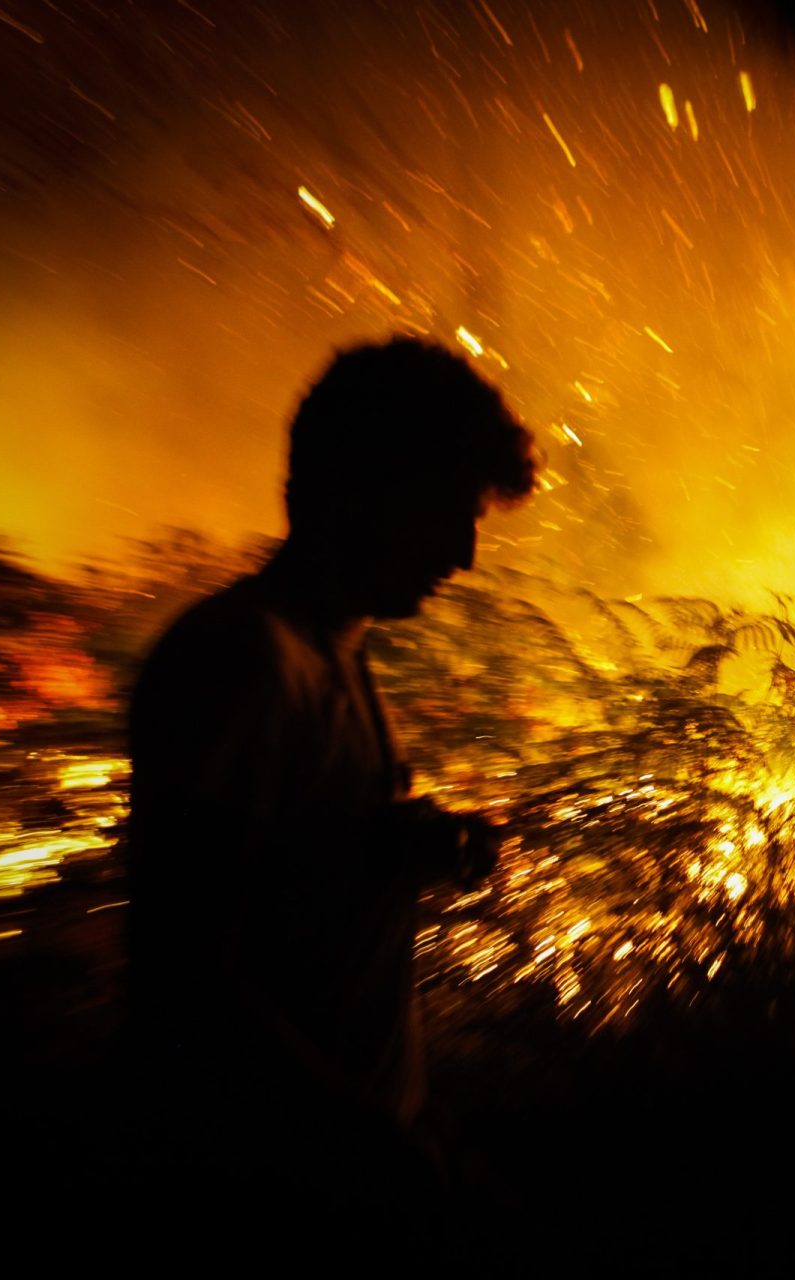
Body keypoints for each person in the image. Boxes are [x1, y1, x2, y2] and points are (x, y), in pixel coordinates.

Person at [125, 338, 536, 1236]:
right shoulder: (242, 663)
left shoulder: (337, 657)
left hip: (357, 1157)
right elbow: (182, 980)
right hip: (279, 1195)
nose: (466, 556)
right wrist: (364, 1147)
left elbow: (283, 869)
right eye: (446, 514)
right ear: (361, 492)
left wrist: (399, 843)